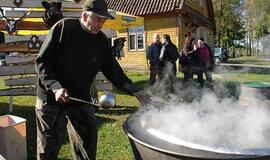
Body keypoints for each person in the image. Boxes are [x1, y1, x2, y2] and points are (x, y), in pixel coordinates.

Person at [35, 0, 149, 159]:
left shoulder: (101, 41)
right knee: (49, 147)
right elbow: (42, 62)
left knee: (88, 140)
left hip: (79, 97)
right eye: (97, 19)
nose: (101, 24)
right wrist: (56, 87)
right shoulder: (63, 28)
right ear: (84, 15)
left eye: (103, 20)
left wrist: (135, 90)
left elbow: (113, 71)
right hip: (51, 98)